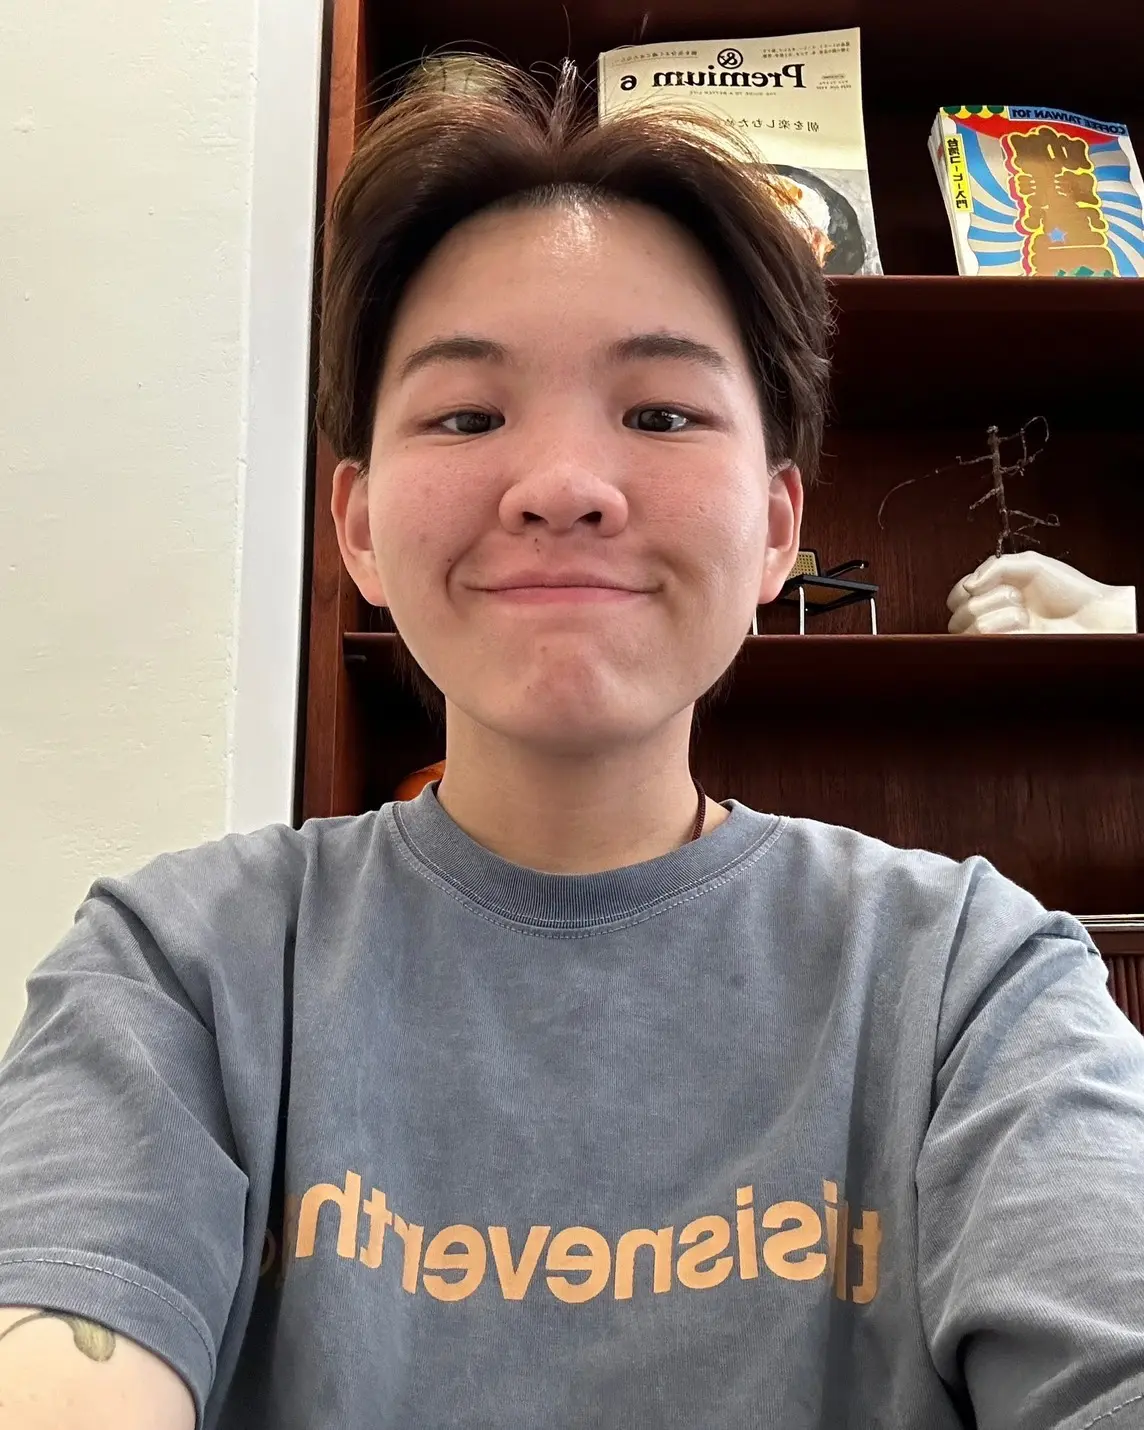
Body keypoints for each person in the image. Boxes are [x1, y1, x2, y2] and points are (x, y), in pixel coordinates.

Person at [1, 56, 1142, 1430]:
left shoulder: (972, 981)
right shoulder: (177, 968)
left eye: (660, 414)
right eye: (467, 416)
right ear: (358, 527)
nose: (560, 487)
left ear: (778, 528)